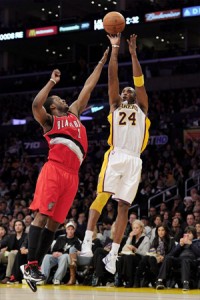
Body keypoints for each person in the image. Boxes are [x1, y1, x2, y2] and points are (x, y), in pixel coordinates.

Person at [21, 47, 109, 283]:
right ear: (53, 106)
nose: (64, 99)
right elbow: (35, 105)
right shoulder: (50, 120)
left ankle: (34, 268)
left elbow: (87, 88)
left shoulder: (74, 113)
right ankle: (29, 265)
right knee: (41, 216)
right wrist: (51, 82)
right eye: (59, 99)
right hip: (55, 169)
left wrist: (101, 63)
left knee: (55, 222)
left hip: (73, 175)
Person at [80, 33, 150, 276]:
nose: (127, 91)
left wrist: (133, 54)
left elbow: (139, 81)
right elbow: (113, 78)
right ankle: (87, 240)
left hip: (134, 160)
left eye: (130, 91)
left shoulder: (142, 107)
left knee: (123, 208)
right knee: (102, 194)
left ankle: (113, 254)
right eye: (125, 91)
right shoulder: (114, 105)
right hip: (117, 154)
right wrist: (115, 48)